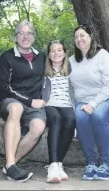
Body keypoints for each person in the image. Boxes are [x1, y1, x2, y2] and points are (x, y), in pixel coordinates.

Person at [69, 24, 109, 181]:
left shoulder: (103, 56)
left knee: (98, 116)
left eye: (82, 35)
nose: (79, 39)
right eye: (76, 37)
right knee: (80, 117)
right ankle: (91, 164)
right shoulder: (71, 61)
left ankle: (105, 165)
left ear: (90, 36)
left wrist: (93, 104)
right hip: (83, 101)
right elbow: (69, 88)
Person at [0, 20, 47, 182]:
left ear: (34, 37)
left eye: (29, 33)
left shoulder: (42, 57)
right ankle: (11, 165)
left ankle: (10, 166)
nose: (26, 36)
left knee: (38, 127)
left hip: (35, 104)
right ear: (16, 36)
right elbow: (4, 87)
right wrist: (30, 101)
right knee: (16, 108)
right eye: (21, 33)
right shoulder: (7, 57)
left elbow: (53, 78)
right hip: (11, 100)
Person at [41, 39, 76, 183]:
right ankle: (53, 165)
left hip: (67, 104)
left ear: (65, 52)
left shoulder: (72, 68)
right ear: (48, 54)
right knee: (56, 119)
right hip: (49, 104)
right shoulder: (43, 70)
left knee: (71, 120)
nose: (56, 53)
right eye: (52, 51)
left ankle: (58, 164)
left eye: (59, 50)